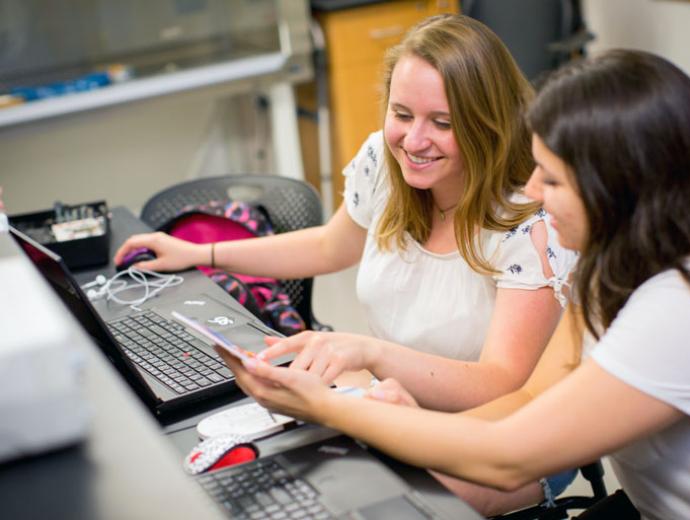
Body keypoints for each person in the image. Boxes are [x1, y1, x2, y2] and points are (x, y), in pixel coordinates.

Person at [221, 49, 690, 519]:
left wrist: (333, 409)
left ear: (623, 188)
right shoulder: (612, 263)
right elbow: (533, 397)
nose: (533, 191)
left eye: (553, 178)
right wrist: (401, 424)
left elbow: (511, 456)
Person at [115, 14, 577, 509]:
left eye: (442, 124)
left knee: (373, 504)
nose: (414, 141)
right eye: (402, 114)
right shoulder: (387, 161)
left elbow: (505, 384)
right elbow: (328, 247)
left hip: (508, 433)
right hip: (399, 401)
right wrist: (200, 253)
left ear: (489, 123)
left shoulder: (530, 219)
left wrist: (372, 355)